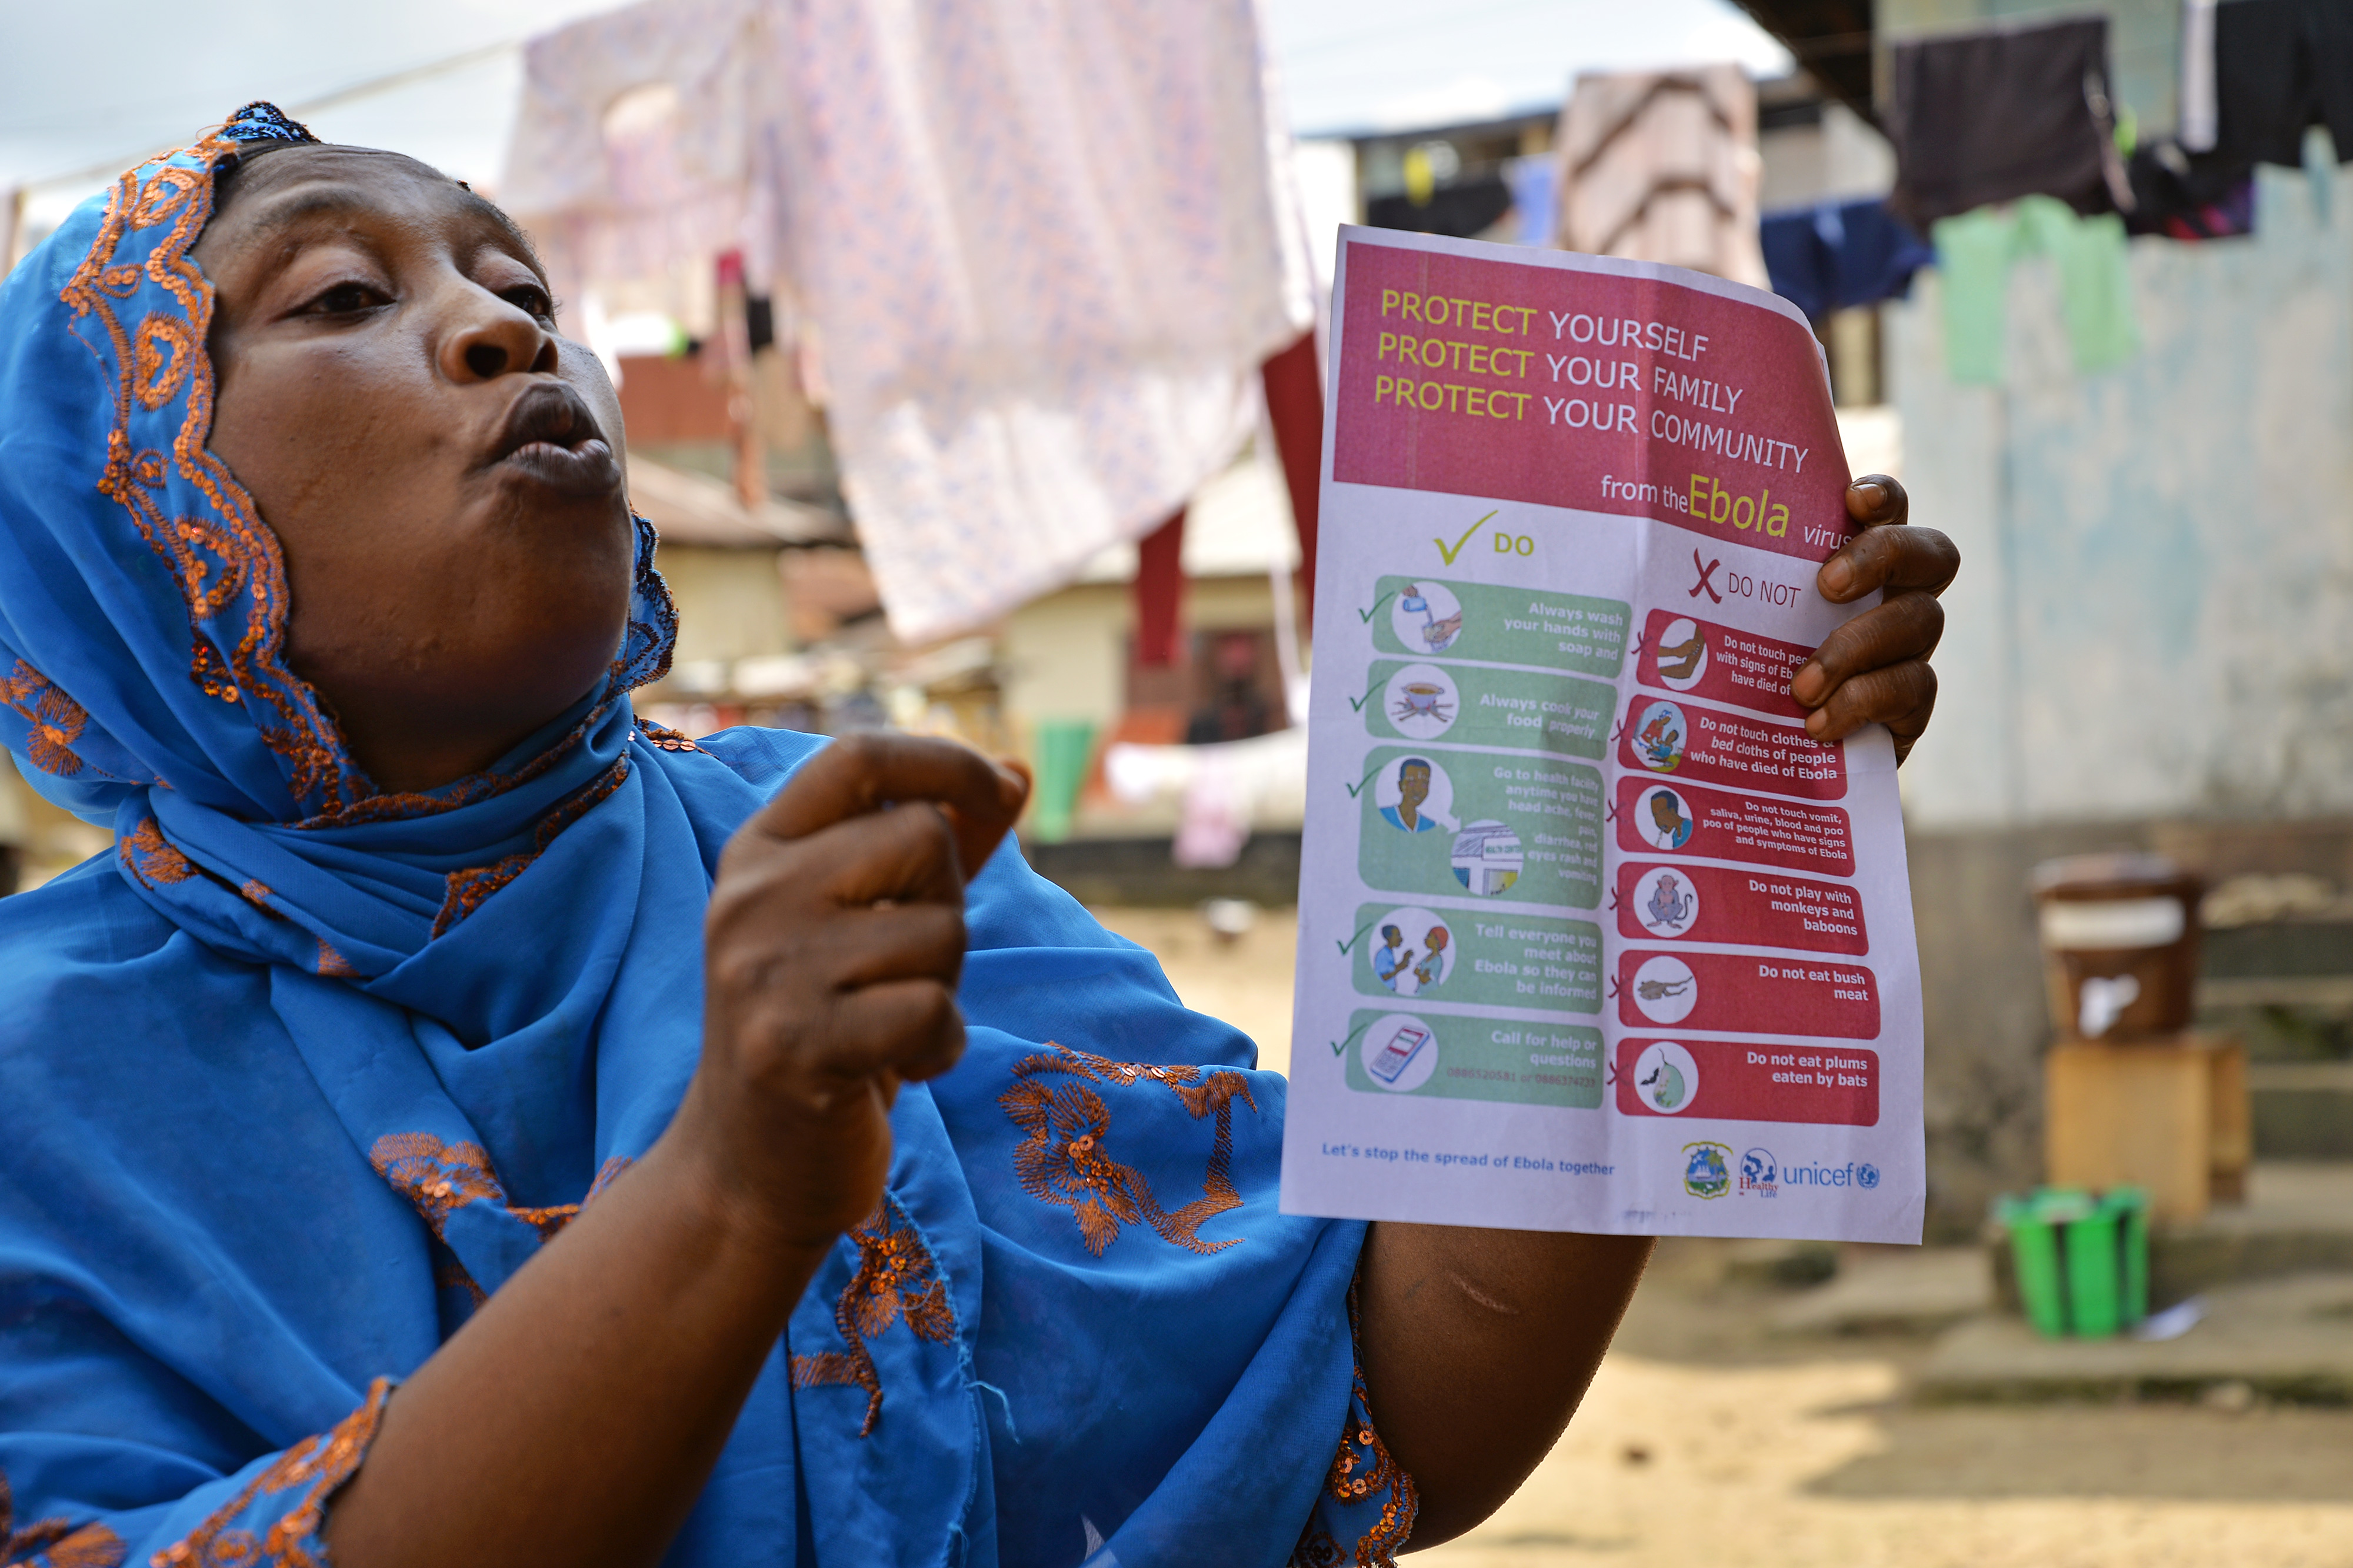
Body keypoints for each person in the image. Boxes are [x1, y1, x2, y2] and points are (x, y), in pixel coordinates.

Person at [0, 106, 1957, 1567]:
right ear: (116, 511)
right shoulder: (43, 1084)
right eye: (346, 293)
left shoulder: (844, 851)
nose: (507, 334)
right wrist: (739, 1187)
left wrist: (1652, 795)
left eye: (525, 290)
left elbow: (1376, 1401)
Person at [1378, 756, 1441, 832]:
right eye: (1411, 783)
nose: (1418, 790)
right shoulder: (1384, 815)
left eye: (1424, 784)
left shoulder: (1429, 825)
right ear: (1400, 785)